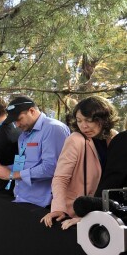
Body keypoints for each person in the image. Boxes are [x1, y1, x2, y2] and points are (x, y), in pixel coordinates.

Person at [41, 96, 118, 227]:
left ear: (103, 119)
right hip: (75, 212)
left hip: (104, 210)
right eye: (79, 121)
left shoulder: (114, 138)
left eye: (89, 120)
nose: (83, 126)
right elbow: (60, 178)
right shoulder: (75, 140)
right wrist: (58, 208)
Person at [0, 95, 69, 207]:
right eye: (14, 121)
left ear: (32, 111)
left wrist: (11, 174)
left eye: (19, 119)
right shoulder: (23, 135)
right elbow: (22, 164)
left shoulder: (53, 128)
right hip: (22, 198)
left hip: (44, 203)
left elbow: (51, 168)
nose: (17, 124)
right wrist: (4, 168)